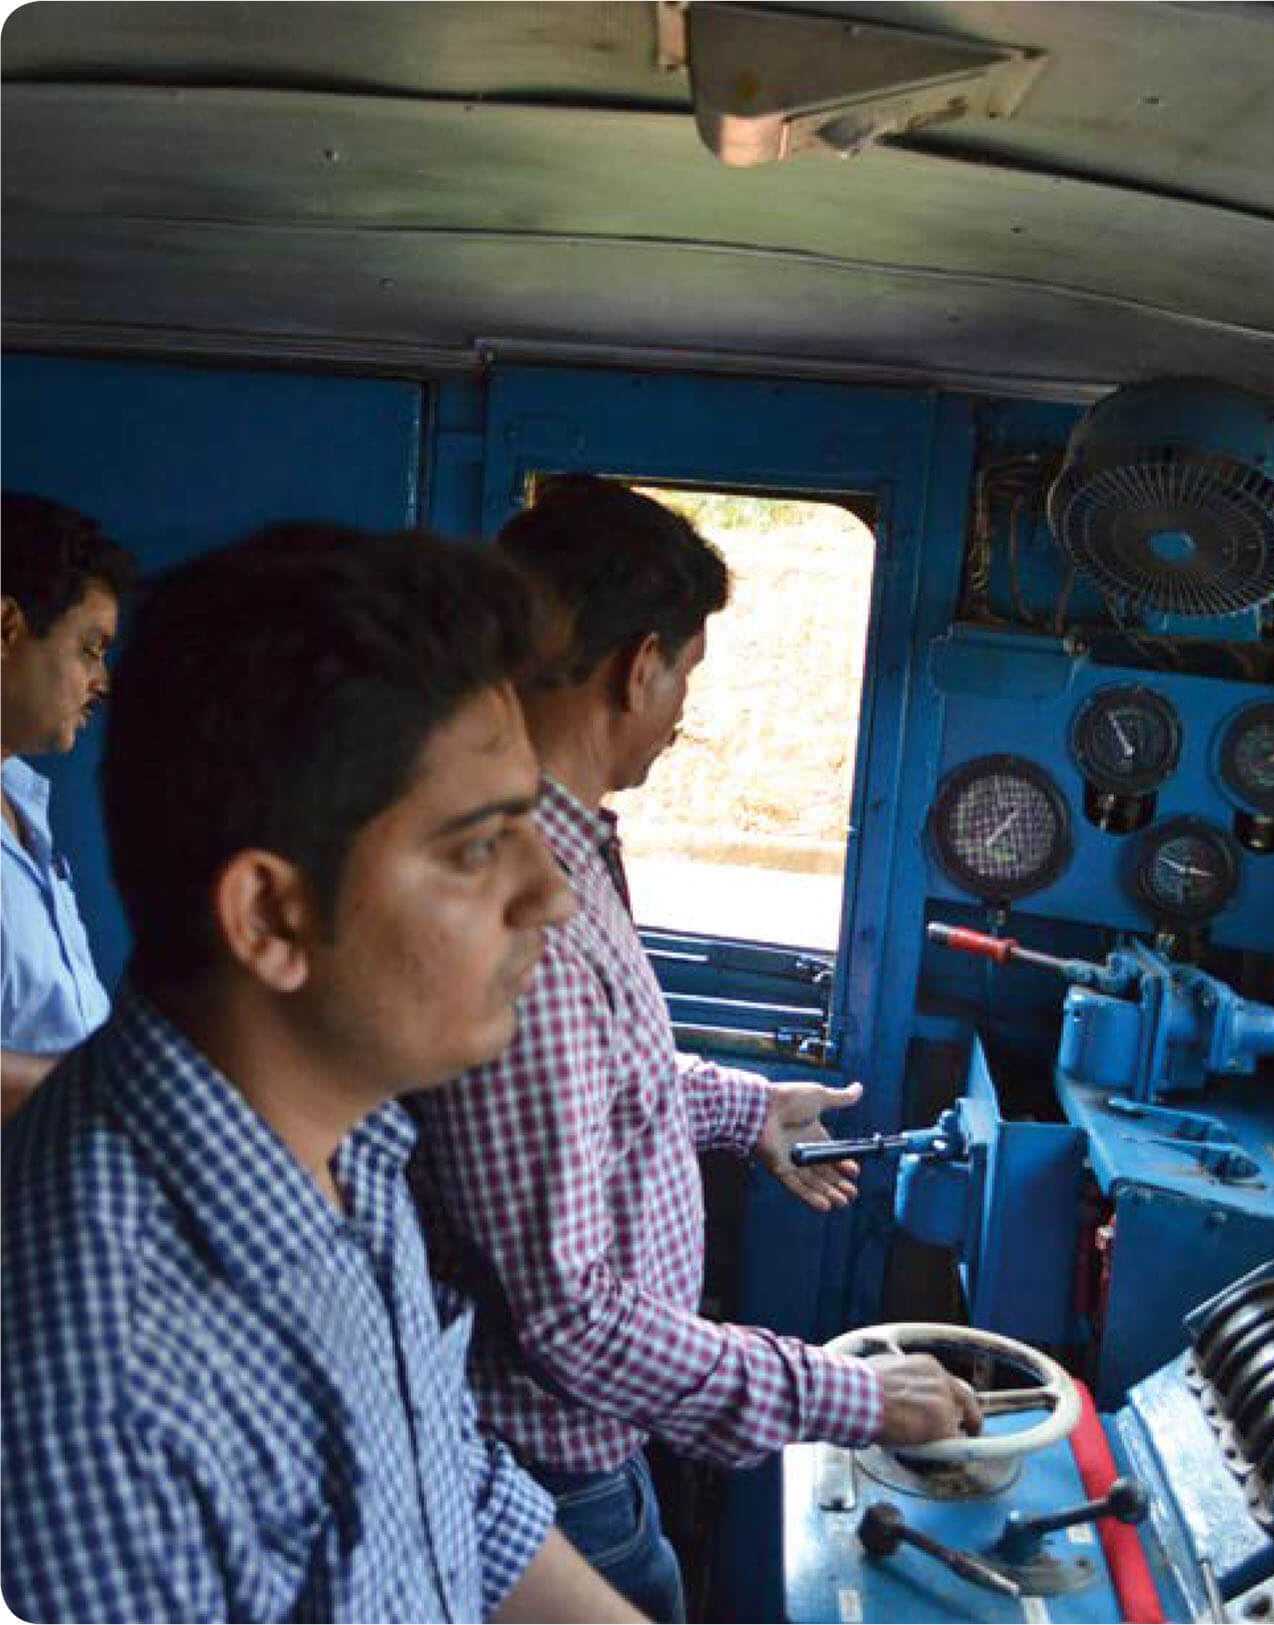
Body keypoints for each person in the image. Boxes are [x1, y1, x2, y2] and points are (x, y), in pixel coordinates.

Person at [1, 522, 646, 1624]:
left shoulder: (344, 1138)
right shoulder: (111, 1378)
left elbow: (450, 1491)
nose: (554, 895)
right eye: (480, 844)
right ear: (271, 915)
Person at [413, 477, 982, 1623]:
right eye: (687, 675)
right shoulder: (527, 901)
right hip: (547, 1468)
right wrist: (848, 1392)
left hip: (585, 1448)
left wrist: (743, 1105)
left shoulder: (558, 847)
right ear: (639, 667)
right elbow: (569, 1316)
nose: (680, 712)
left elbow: (591, 1078)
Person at [1, 492, 134, 1121]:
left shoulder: (22, 806)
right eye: (90, 648)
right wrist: (110, 1093)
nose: (102, 681)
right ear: (7, 629)